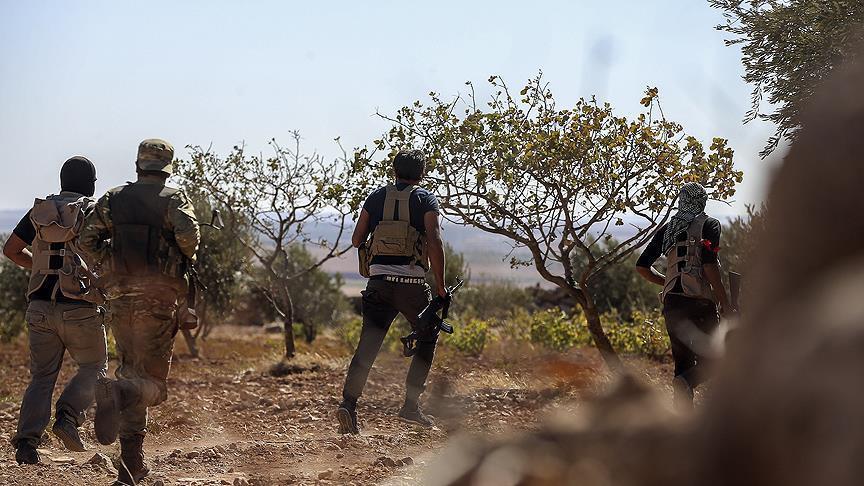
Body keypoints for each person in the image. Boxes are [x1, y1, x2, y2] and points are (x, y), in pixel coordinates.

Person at [79, 139, 200, 485]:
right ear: (167, 167)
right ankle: (122, 393)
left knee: (131, 367)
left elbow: (86, 240)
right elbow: (190, 241)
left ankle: (130, 469)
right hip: (158, 299)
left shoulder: (114, 198)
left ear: (138, 165)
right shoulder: (173, 198)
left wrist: (111, 265)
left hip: (119, 298)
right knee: (153, 384)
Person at [3, 157, 107, 465]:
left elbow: (10, 250)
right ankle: (68, 417)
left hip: (39, 307)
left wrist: (37, 265)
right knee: (95, 365)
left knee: (42, 376)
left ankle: (26, 445)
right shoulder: (92, 212)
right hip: (79, 308)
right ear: (90, 183)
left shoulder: (40, 211)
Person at [336, 149, 447, 434]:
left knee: (368, 346)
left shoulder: (375, 197)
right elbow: (434, 240)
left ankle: (348, 405)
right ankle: (410, 406)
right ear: (421, 173)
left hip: (378, 284)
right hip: (412, 287)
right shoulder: (425, 199)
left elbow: (357, 238)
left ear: (394, 171)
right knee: (427, 337)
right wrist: (441, 285)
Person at [635, 182, 733, 408]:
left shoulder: (669, 229)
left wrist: (667, 281)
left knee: (682, 363)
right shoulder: (710, 225)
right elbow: (709, 266)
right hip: (699, 302)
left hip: (673, 303)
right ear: (702, 200)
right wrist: (725, 301)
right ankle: (688, 383)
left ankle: (681, 419)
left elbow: (642, 267)